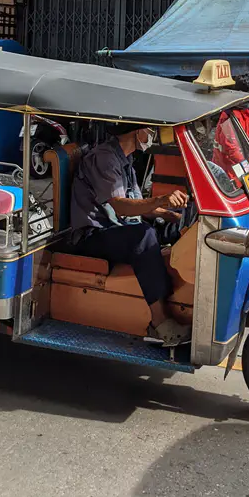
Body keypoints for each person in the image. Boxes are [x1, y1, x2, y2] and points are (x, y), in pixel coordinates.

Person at [70, 124, 191, 347]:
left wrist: (169, 214)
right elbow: (121, 207)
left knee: (174, 223)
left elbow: (137, 205)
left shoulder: (125, 160)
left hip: (117, 227)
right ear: (138, 132)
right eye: (149, 130)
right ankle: (160, 322)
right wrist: (162, 199)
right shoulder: (104, 159)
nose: (152, 135)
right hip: (93, 234)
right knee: (143, 236)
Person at [213, 72, 249, 173]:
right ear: (242, 94)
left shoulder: (245, 113)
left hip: (243, 166)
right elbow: (232, 149)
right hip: (228, 171)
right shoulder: (228, 115)